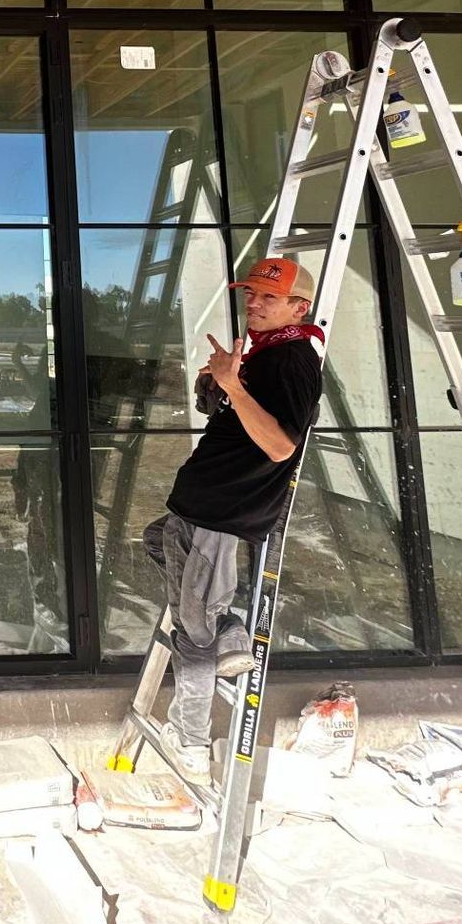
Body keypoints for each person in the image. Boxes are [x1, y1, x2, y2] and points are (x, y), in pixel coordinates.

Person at [143, 256, 326, 779]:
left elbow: (278, 445)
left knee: (192, 636)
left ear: (299, 306)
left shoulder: (292, 358)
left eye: (269, 297)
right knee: (156, 542)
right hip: (198, 506)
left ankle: (192, 740)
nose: (254, 303)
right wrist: (219, 385)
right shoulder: (264, 353)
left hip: (220, 515)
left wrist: (235, 385)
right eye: (251, 293)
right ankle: (227, 630)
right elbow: (233, 422)